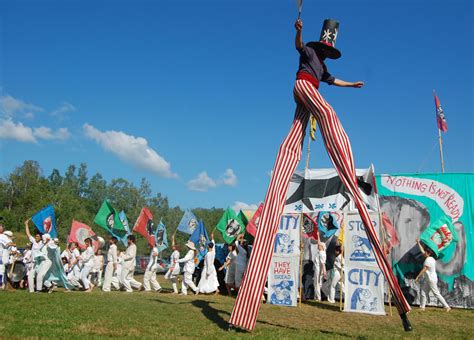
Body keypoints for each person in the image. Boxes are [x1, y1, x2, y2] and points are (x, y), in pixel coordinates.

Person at [415, 239, 451, 312]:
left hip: (431, 280)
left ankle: (447, 307)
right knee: (423, 292)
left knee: (436, 293)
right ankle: (422, 307)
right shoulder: (430, 258)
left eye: (425, 252)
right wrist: (418, 242)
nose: (424, 253)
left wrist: (418, 276)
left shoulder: (428, 260)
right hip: (429, 279)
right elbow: (422, 251)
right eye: (425, 252)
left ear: (428, 254)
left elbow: (424, 269)